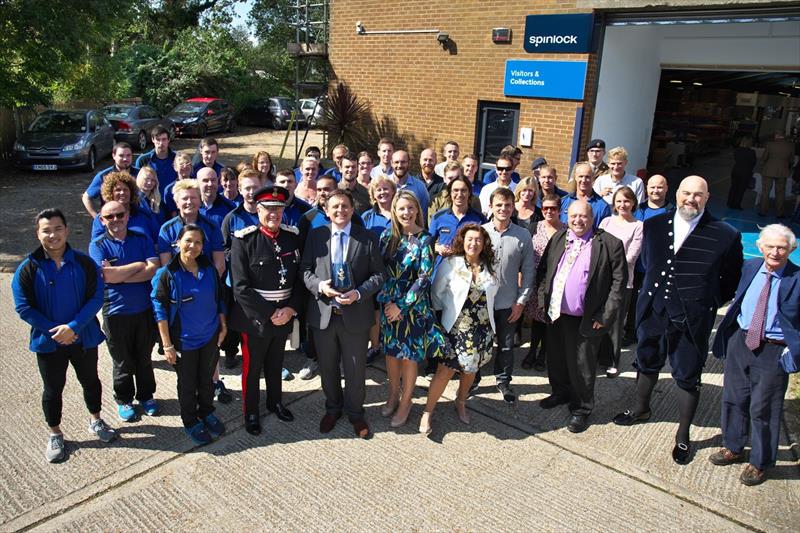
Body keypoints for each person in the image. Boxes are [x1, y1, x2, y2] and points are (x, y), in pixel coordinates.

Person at [613, 176, 743, 465]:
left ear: (707, 197)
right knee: (646, 359)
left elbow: (731, 280)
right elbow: (648, 263)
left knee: (686, 373)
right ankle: (640, 408)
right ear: (678, 193)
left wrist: (705, 301)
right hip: (654, 309)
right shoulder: (654, 225)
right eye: (686, 193)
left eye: (698, 194)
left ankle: (683, 434)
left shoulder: (725, 234)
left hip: (692, 317)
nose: (691, 199)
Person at [12, 208, 117, 463]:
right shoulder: (28, 268)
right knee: (52, 389)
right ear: (38, 234)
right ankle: (55, 433)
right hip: (48, 342)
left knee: (91, 381)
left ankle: (96, 420)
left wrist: (74, 327)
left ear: (67, 231)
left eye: (58, 229)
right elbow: (23, 307)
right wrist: (56, 331)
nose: (53, 235)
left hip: (83, 337)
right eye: (46, 230)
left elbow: (95, 298)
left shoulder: (84, 263)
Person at [710, 224, 800, 486]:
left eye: (782, 247)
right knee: (734, 397)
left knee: (764, 408)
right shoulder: (750, 268)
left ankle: (760, 462)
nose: (775, 252)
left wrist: (793, 351)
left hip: (773, 349)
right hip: (742, 340)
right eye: (770, 246)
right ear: (760, 247)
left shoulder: (796, 279)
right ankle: (733, 446)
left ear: (791, 249)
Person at [301, 189, 386, 439]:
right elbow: (305, 271)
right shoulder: (316, 236)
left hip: (355, 315)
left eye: (345, 206)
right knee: (327, 368)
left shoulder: (367, 237)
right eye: (335, 207)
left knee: (355, 370)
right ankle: (333, 408)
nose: (340, 211)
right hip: (324, 315)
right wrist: (320, 286)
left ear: (352, 209)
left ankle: (356, 413)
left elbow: (379, 275)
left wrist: (358, 294)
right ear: (326, 211)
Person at [537, 201, 626, 433]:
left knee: (582, 365)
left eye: (583, 216)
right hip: (557, 313)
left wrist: (605, 315)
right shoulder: (559, 237)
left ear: (592, 217)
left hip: (587, 317)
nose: (578, 220)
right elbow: (545, 270)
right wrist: (543, 299)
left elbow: (618, 285)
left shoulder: (609, 244)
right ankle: (560, 392)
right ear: (568, 216)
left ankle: (581, 408)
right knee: (556, 358)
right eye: (574, 216)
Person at [229, 186, 302, 436]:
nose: (274, 214)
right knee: (252, 368)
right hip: (257, 319)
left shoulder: (292, 237)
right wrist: (270, 313)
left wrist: (291, 308)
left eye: (279, 210)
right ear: (258, 210)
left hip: (285, 314)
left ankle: (275, 402)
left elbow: (301, 279)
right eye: (269, 209)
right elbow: (240, 287)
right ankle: (251, 411)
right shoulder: (244, 240)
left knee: (276, 363)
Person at [151, 224, 227, 446]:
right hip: (184, 342)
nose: (192, 246)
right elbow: (160, 311)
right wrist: (167, 345)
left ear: (203, 246)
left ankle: (206, 412)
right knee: (187, 384)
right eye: (188, 241)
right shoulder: (167, 275)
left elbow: (219, 297)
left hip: (210, 337)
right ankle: (191, 420)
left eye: (198, 242)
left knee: (207, 380)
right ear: (178, 243)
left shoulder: (209, 270)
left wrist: (223, 324)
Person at [377, 191, 446, 427]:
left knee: (408, 358)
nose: (406, 213)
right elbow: (380, 270)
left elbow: (424, 278)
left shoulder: (425, 239)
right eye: (402, 209)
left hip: (412, 308)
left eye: (411, 208)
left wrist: (401, 307)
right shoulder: (388, 236)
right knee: (391, 354)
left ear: (418, 210)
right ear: (394, 211)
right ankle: (393, 395)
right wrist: (387, 302)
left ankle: (406, 402)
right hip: (388, 305)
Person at [423, 224, 499, 434]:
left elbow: (495, 290)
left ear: (484, 244)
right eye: (470, 239)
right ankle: (428, 411)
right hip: (456, 327)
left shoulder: (490, 265)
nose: (473, 243)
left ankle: (460, 401)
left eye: (478, 240)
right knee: (444, 371)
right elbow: (437, 294)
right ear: (462, 241)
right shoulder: (450, 264)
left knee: (471, 369)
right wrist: (442, 320)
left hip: (482, 328)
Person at [89, 201, 160, 422]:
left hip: (144, 309)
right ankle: (124, 399)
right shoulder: (97, 245)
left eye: (120, 215)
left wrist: (119, 273)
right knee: (122, 361)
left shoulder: (141, 237)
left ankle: (147, 396)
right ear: (102, 220)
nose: (115, 220)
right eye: (109, 217)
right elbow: (105, 276)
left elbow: (153, 269)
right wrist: (138, 265)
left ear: (127, 215)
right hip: (115, 312)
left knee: (144, 358)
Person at [476, 187, 535, 402]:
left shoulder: (523, 235)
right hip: (482, 302)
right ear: (490, 207)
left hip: (508, 303)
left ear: (514, 208)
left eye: (508, 205)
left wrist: (521, 302)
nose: (503, 209)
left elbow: (528, 271)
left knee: (506, 345)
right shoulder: (481, 232)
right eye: (499, 204)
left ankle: (503, 380)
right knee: (479, 343)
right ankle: (474, 379)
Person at [597, 187, 643, 377]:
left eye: (626, 201)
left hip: (623, 283)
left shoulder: (638, 226)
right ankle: (597, 357)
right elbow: (596, 246)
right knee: (598, 319)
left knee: (615, 323)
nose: (622, 205)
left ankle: (613, 361)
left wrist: (608, 263)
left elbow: (631, 256)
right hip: (601, 280)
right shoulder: (606, 221)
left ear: (633, 203)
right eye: (619, 201)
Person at [220, 170, 262, 369]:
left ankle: (259, 355)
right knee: (235, 319)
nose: (251, 192)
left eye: (255, 187)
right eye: (247, 188)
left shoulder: (267, 215)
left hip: (262, 280)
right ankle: (231, 352)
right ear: (239, 189)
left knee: (259, 319)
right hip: (236, 280)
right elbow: (224, 248)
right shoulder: (232, 218)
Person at [521, 193, 566, 371]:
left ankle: (543, 354)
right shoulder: (534, 227)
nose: (548, 211)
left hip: (556, 282)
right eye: (545, 208)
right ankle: (532, 351)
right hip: (535, 281)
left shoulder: (566, 231)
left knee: (550, 320)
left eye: (553, 208)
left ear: (559, 210)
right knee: (537, 318)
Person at [362, 176, 397, 361]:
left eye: (386, 189)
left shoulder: (401, 213)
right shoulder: (367, 217)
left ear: (393, 191)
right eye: (378, 190)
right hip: (373, 271)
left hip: (396, 272)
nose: (382, 193)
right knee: (376, 310)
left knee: (393, 308)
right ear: (373, 195)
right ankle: (375, 346)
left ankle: (392, 347)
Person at [90, 172, 159, 242]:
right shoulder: (104, 218)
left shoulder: (144, 215)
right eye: (118, 190)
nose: (122, 192)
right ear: (110, 193)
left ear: (131, 192)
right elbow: (97, 245)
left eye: (125, 190)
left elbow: (157, 240)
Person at [429, 176, 487, 261]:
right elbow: (428, 245)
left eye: (463, 190)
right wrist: (438, 248)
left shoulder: (479, 219)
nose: (459, 194)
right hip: (442, 269)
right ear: (450, 193)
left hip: (468, 269)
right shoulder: (438, 217)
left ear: (469, 193)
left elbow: (484, 246)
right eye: (456, 190)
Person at [82, 142, 139, 218]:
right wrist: (96, 217)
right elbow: (86, 197)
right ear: (113, 156)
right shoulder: (103, 176)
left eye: (128, 155)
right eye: (121, 156)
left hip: (135, 218)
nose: (125, 159)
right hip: (112, 221)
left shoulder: (140, 174)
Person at [560, 162, 611, 229]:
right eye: (581, 176)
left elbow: (604, 234)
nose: (583, 180)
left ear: (593, 179)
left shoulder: (603, 207)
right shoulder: (563, 201)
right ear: (575, 177)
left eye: (587, 177)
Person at [759, 132, 795, 218]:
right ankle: (779, 213)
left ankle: (763, 211)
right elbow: (791, 160)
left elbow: (764, 157)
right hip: (783, 172)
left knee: (766, 191)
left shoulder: (770, 144)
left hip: (768, 170)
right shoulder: (790, 146)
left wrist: (763, 165)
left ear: (777, 136)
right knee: (780, 193)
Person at [135, 126, 177, 198]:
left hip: (172, 201)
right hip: (151, 202)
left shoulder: (177, 158)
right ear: (152, 140)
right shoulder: (143, 160)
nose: (161, 143)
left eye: (164, 139)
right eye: (158, 139)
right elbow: (137, 184)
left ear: (168, 140)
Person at [391, 150, 430, 220]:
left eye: (403, 162)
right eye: (396, 162)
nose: (399, 165)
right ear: (391, 163)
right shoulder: (385, 185)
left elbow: (424, 214)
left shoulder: (420, 187)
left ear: (409, 163)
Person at [727, 137, 756, 210]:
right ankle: (737, 204)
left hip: (736, 170)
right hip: (745, 172)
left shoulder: (737, 150)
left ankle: (730, 203)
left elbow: (736, 159)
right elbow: (753, 162)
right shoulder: (751, 152)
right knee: (741, 189)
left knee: (733, 187)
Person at [163, 152, 194, 217]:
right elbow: (170, 213)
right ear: (175, 167)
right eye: (181, 164)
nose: (185, 166)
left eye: (187, 163)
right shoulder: (169, 190)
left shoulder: (197, 185)